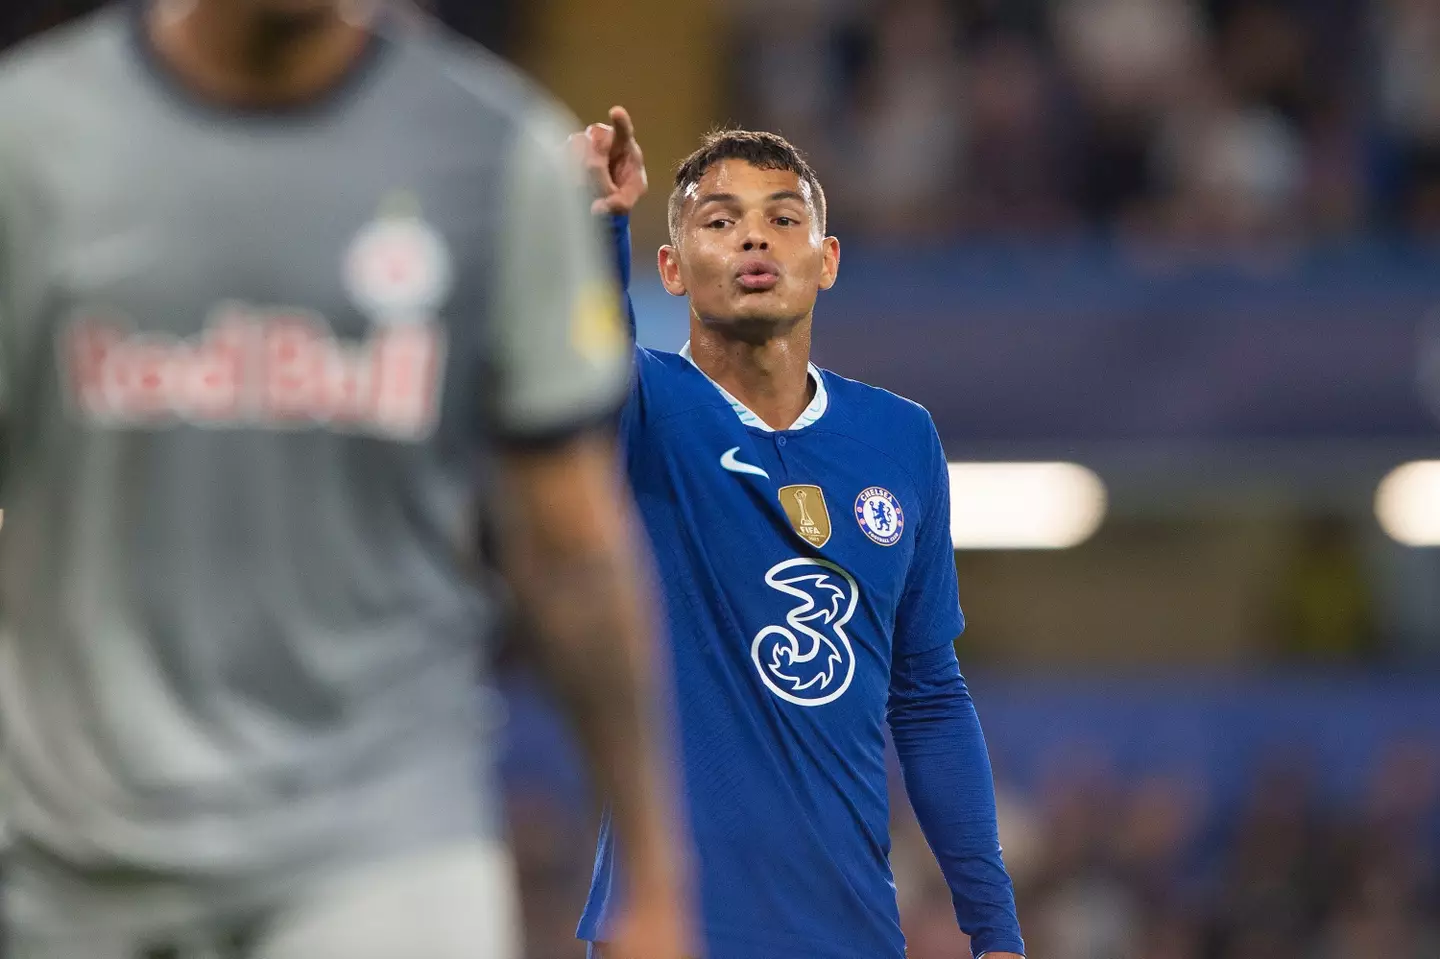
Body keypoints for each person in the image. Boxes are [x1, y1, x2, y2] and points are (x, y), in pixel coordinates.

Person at [0, 4, 690, 958]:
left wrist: (654, 876)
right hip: (75, 852)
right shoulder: (30, 142)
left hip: (384, 840)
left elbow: (572, 548)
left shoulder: (495, 155)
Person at [572, 107, 1027, 959]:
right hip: (672, 931)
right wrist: (601, 226)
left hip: (852, 934)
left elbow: (928, 698)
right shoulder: (645, 411)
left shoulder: (901, 438)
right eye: (720, 221)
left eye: (784, 219)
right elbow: (588, 371)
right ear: (670, 268)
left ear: (827, 260)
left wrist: (994, 929)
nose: (755, 240)